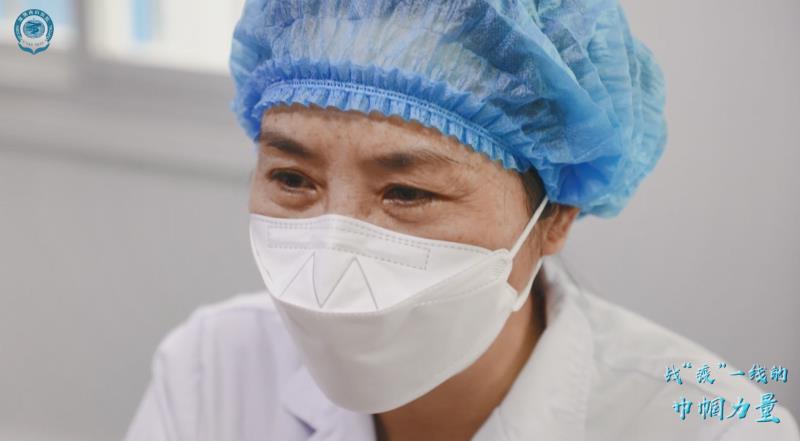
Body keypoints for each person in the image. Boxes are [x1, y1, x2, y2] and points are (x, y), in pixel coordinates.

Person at [125, 1, 799, 440]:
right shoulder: (211, 368)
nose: (331, 259)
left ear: (556, 215)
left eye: (407, 191)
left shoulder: (715, 426)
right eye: (293, 179)